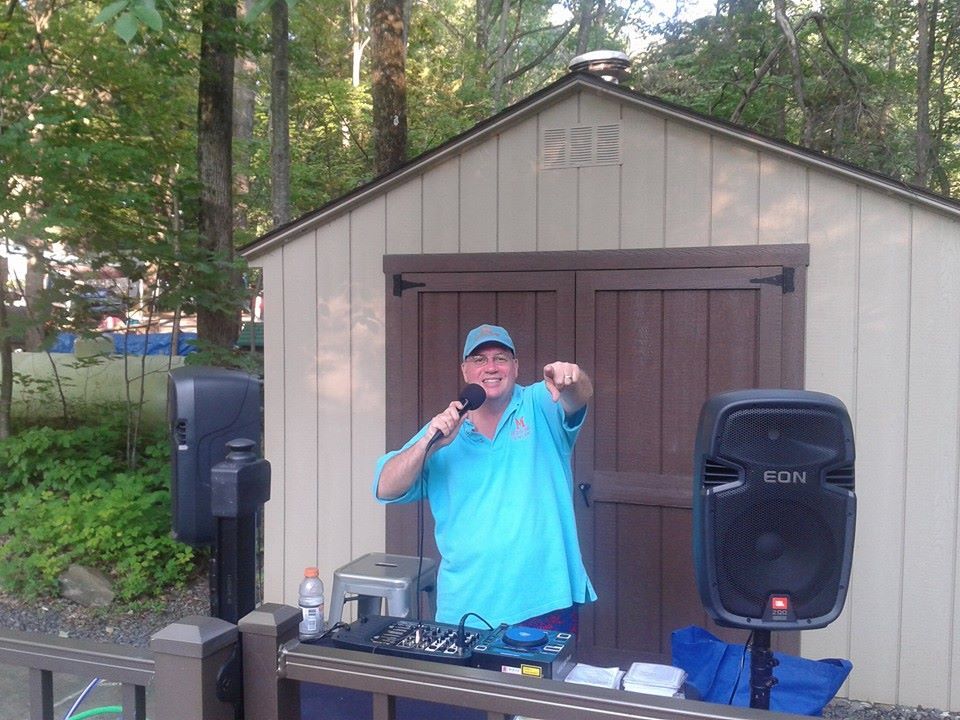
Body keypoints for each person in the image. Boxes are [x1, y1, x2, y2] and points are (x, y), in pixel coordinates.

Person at [373, 323, 597, 633]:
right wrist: (429, 444)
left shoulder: (540, 402)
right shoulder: (444, 430)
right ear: (465, 370)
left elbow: (578, 397)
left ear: (515, 367)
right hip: (465, 607)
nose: (490, 367)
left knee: (544, 670)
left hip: (543, 601)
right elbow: (384, 487)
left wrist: (571, 378)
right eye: (479, 359)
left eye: (500, 358)